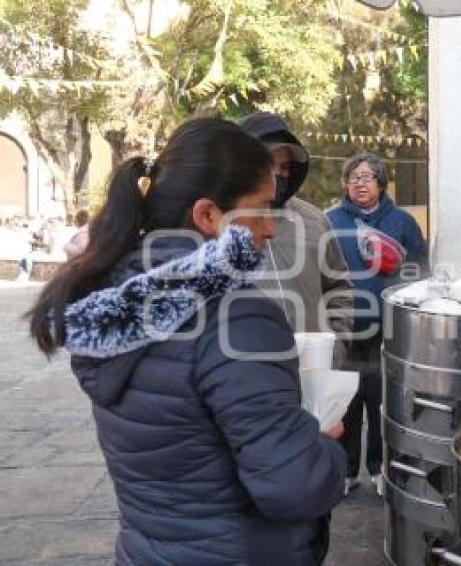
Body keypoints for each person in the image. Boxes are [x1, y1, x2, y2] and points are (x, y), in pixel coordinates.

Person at [28, 118, 346, 565]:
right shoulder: (237, 316)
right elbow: (292, 486)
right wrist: (324, 450)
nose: (271, 229)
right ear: (208, 216)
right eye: (262, 209)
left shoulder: (114, 296)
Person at [326, 152, 427, 495]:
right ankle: (345, 471)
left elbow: (420, 269)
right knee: (345, 399)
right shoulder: (331, 221)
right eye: (353, 177)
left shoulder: (401, 222)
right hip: (344, 325)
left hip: (389, 327)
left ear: (381, 183)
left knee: (384, 399)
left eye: (367, 176)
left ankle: (381, 467)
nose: (359, 183)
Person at [239, 112, 354, 365]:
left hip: (314, 370)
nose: (278, 176)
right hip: (247, 379)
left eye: (285, 167)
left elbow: (339, 289)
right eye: (269, 165)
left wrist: (336, 346)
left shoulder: (315, 222)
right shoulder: (221, 224)